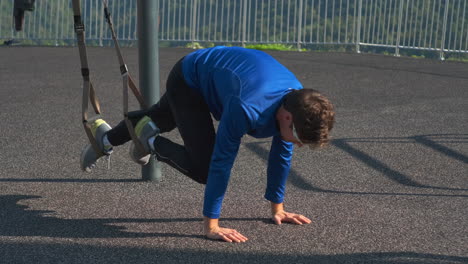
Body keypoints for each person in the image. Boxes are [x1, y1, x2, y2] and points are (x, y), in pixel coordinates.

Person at [80, 46, 335, 243]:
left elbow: (282, 155)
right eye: (300, 139)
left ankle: (105, 138)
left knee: (160, 116)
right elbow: (221, 163)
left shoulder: (297, 101)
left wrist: (278, 209)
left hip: (216, 73)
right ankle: (149, 140)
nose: (299, 146)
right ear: (287, 117)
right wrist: (212, 226)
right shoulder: (248, 109)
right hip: (190, 79)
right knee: (204, 167)